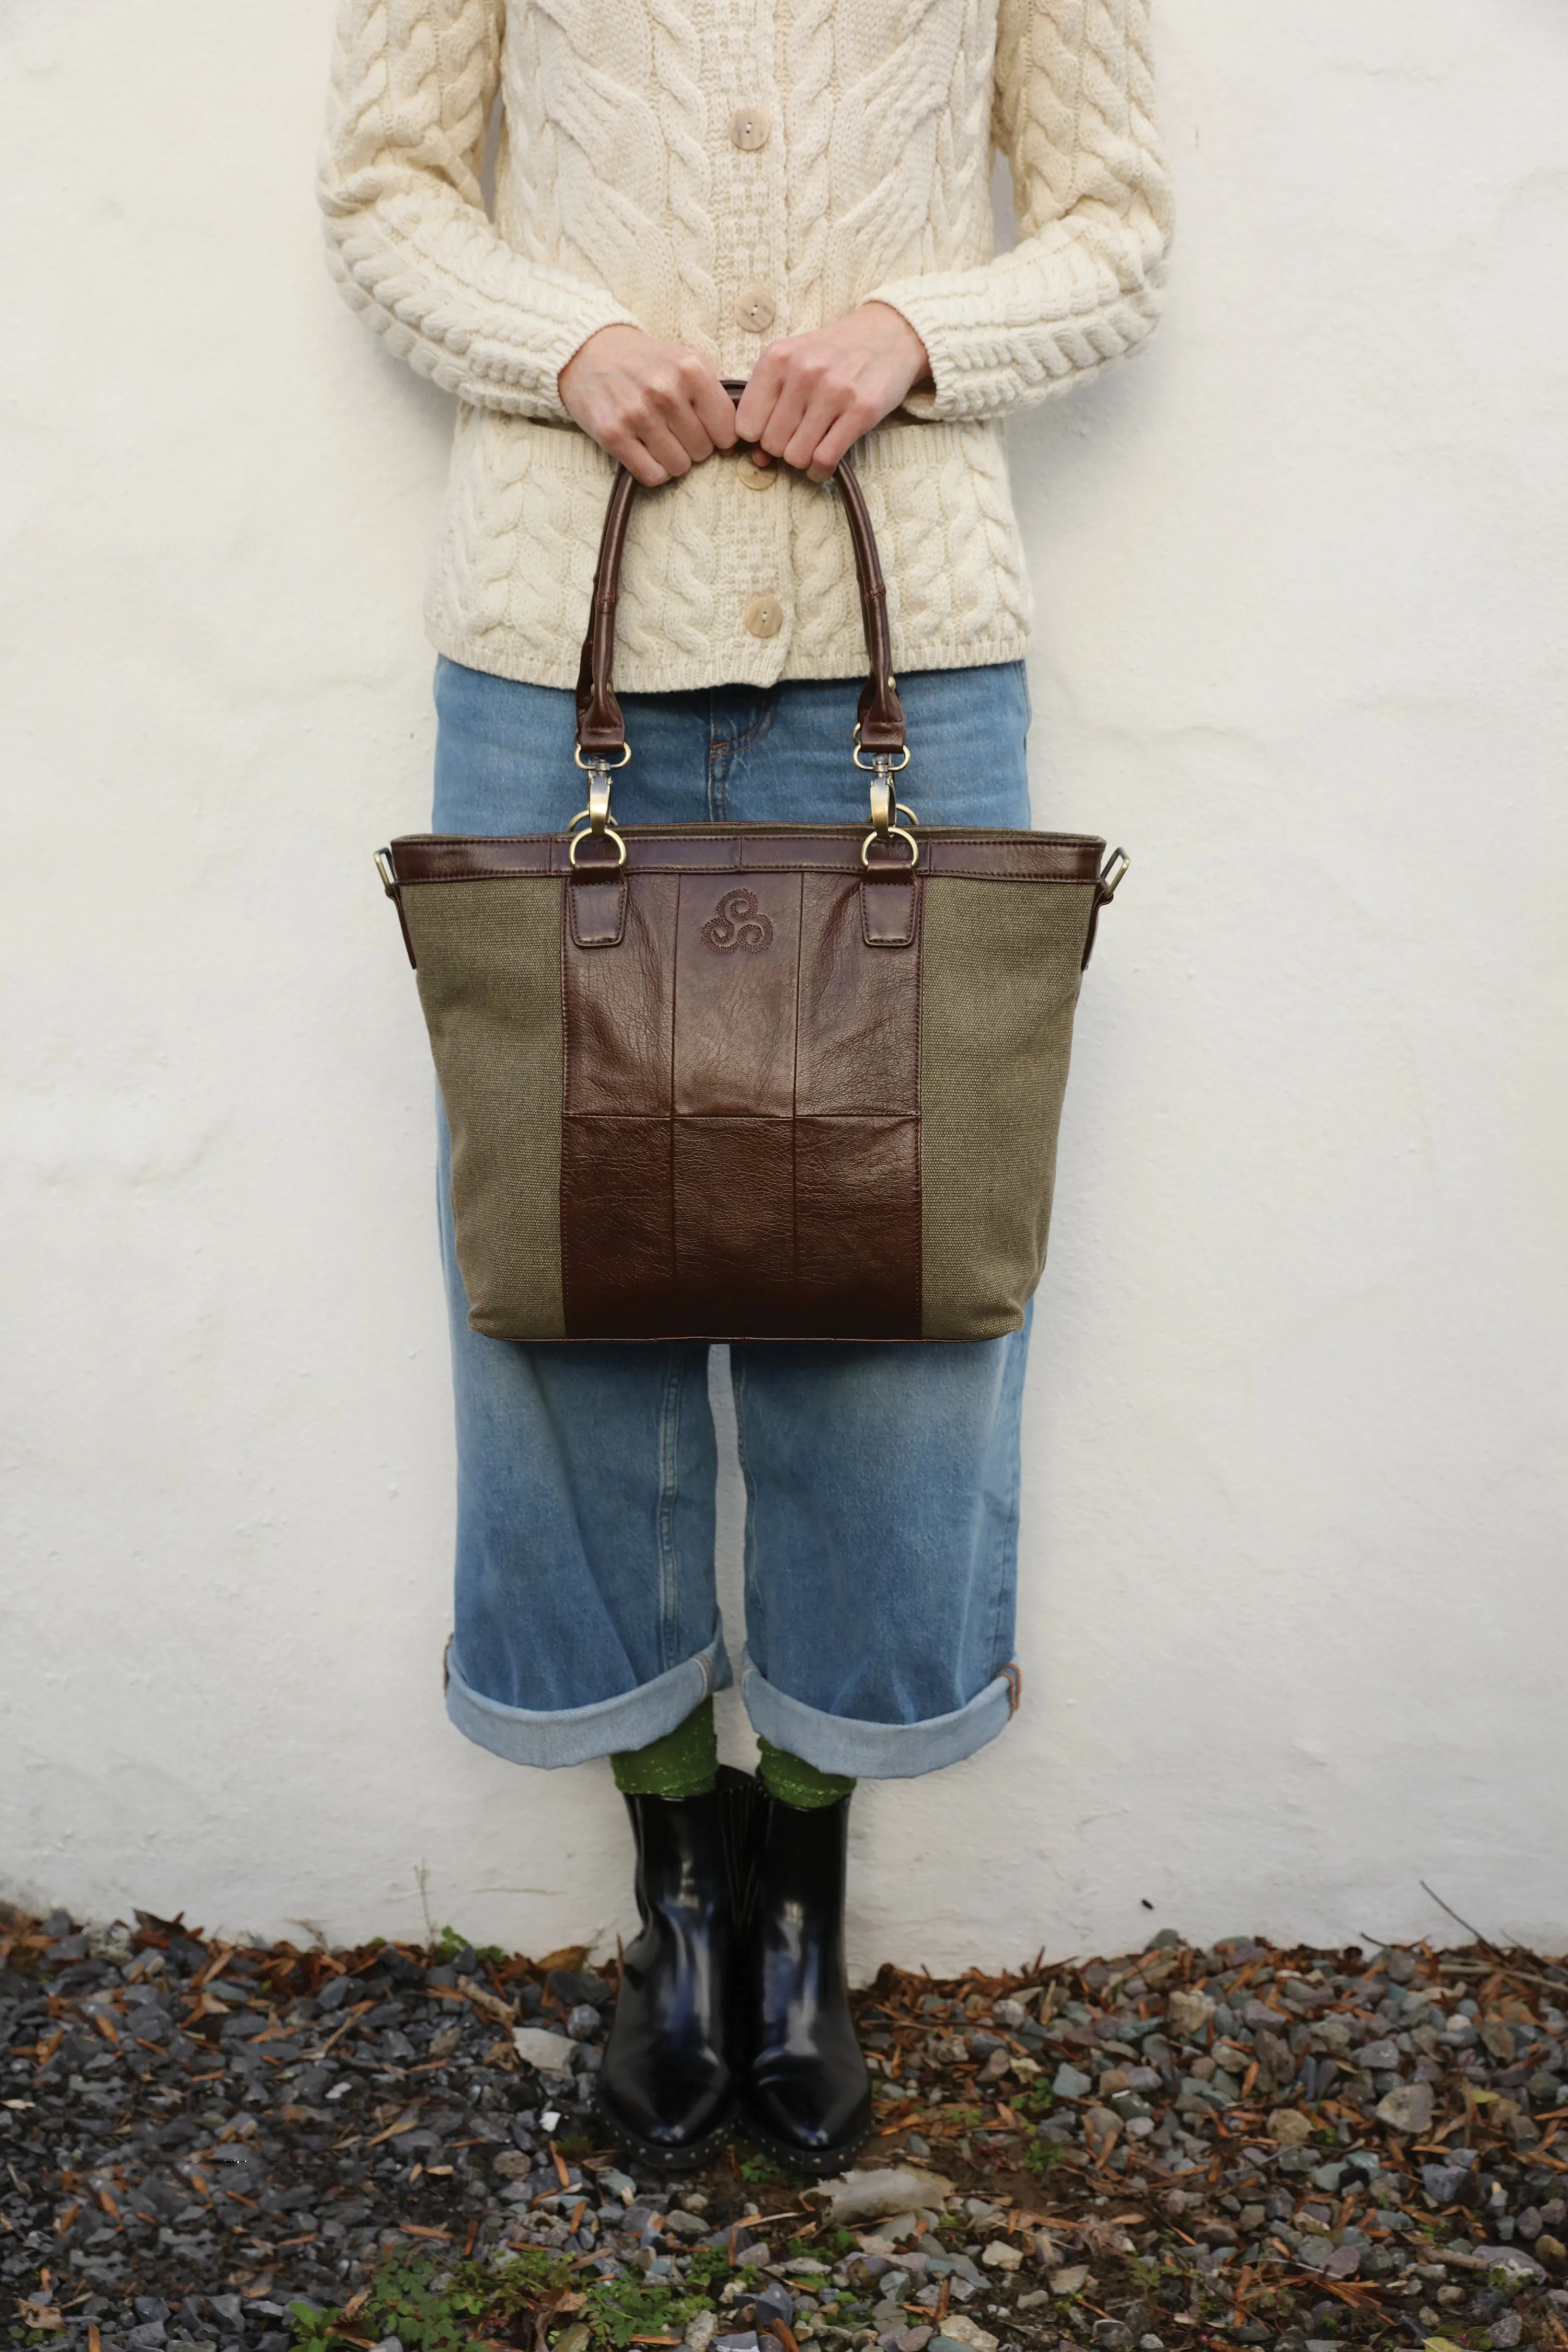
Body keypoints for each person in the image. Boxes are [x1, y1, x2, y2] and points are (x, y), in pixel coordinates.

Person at [320, 0, 1171, 2175]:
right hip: (552, 665)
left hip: (910, 668)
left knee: (887, 1298)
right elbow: (387, 189)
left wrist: (911, 324)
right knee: (565, 1286)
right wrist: (569, 333)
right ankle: (673, 1884)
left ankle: (801, 1889)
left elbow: (1114, 232)